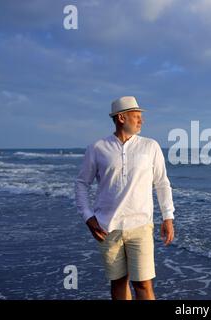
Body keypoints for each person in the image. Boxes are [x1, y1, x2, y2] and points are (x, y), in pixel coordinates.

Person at [75, 96, 175, 300]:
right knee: (118, 282)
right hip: (107, 227)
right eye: (136, 116)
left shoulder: (150, 146)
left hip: (141, 225)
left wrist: (168, 217)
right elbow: (81, 183)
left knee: (143, 284)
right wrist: (88, 216)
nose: (141, 121)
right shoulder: (98, 148)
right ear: (121, 118)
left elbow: (162, 183)